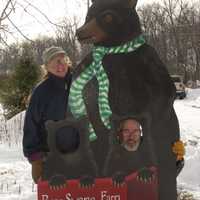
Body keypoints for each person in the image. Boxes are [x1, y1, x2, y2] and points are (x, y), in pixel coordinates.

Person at [23, 46, 73, 184]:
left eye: (62, 61)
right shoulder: (40, 92)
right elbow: (31, 125)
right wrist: (36, 159)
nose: (60, 66)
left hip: (80, 153)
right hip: (50, 156)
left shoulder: (78, 82)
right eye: (55, 62)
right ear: (46, 67)